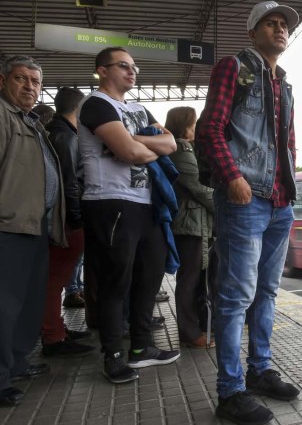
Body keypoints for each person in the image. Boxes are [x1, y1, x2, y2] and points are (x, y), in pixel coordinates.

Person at [197, 1, 300, 424]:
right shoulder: (232, 68)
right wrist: (232, 176)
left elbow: (287, 145)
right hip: (245, 197)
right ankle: (230, 391)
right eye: (271, 24)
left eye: (284, 26)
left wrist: (290, 190)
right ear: (253, 32)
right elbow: (210, 128)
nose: (280, 30)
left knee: (267, 293)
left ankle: (259, 371)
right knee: (236, 296)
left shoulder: (285, 85)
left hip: (280, 202)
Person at [78, 46, 179, 384]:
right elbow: (129, 151)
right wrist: (135, 145)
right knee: (115, 282)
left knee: (150, 277)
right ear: (102, 70)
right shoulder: (96, 104)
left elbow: (171, 144)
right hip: (110, 201)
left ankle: (142, 348)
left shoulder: (138, 108)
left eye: (134, 66)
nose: (132, 71)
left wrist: (131, 141)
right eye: (123, 66)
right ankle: (113, 356)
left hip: (146, 204)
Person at [0, 56, 66, 407]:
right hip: (9, 225)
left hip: (34, 224)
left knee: (27, 302)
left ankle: (16, 362)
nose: (29, 86)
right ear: (3, 81)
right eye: (20, 78)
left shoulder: (32, 121)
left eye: (35, 81)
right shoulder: (1, 115)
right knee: (5, 305)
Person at [40, 87, 95, 357]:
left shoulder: (53, 132)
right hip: (65, 221)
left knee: (56, 278)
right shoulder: (66, 138)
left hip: (56, 217)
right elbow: (70, 183)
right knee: (55, 279)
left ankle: (56, 327)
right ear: (80, 110)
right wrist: (76, 219)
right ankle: (53, 335)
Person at [166, 107, 216, 348]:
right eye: (193, 123)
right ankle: (189, 332)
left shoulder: (184, 148)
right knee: (189, 281)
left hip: (196, 224)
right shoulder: (181, 148)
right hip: (189, 225)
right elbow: (198, 186)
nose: (196, 128)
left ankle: (199, 328)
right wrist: (226, 205)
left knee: (197, 280)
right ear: (183, 125)